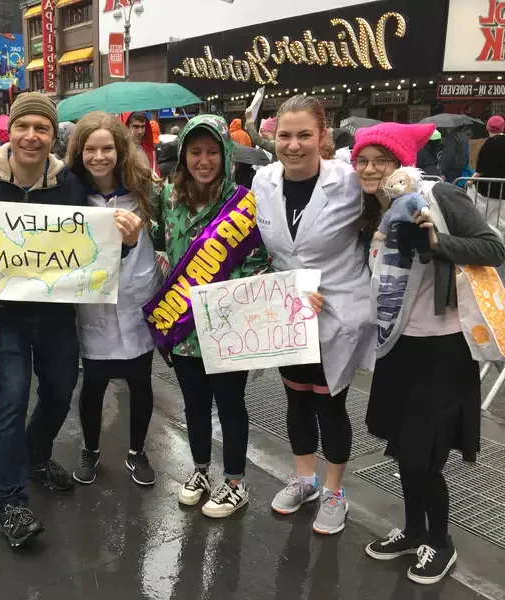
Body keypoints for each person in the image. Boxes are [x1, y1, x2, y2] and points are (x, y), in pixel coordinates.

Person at [0, 93, 142, 547]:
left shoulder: (69, 183)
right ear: (11, 130)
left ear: (53, 136)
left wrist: (124, 242)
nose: (32, 136)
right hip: (2, 313)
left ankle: (36, 454)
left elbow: (92, 244)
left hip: (54, 311)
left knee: (60, 390)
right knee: (10, 396)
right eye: (23, 126)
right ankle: (9, 501)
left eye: (42, 128)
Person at [353, 123, 504, 585]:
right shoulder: (371, 211)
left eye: (383, 160)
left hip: (444, 347)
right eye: (364, 160)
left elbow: (493, 246)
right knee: (402, 448)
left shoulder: (438, 196)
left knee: (423, 455)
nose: (372, 169)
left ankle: (441, 543)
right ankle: (413, 530)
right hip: (398, 343)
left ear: (401, 164)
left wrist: (439, 243)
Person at [252, 95, 375, 536]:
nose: (294, 144)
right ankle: (304, 478)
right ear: (274, 137)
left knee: (329, 404)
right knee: (296, 398)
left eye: (305, 135)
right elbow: (261, 249)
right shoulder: (262, 181)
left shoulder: (350, 181)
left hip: (337, 311)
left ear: (323, 137)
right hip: (289, 312)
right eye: (285, 135)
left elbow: (384, 223)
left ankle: (335, 491)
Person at [154, 114, 268, 518]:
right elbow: (155, 239)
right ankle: (200, 470)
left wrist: (230, 292)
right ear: (183, 155)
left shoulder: (243, 202)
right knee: (194, 404)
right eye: (195, 152)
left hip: (227, 327)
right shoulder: (168, 195)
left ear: (226, 154)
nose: (204, 160)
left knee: (231, 403)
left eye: (212, 152)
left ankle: (235, 482)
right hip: (182, 324)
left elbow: (257, 259)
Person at [64, 111, 163, 487]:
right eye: (91, 149)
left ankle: (137, 452)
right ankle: (90, 449)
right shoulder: (70, 191)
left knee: (141, 383)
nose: (99, 157)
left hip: (136, 299)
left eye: (107, 148)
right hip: (94, 306)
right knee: (93, 384)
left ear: (121, 150)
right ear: (79, 151)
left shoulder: (144, 189)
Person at [471, 115, 505, 232]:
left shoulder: (488, 145)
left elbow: (480, 170)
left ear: (488, 128)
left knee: (487, 222)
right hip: (503, 192)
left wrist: (470, 180)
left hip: (487, 191)